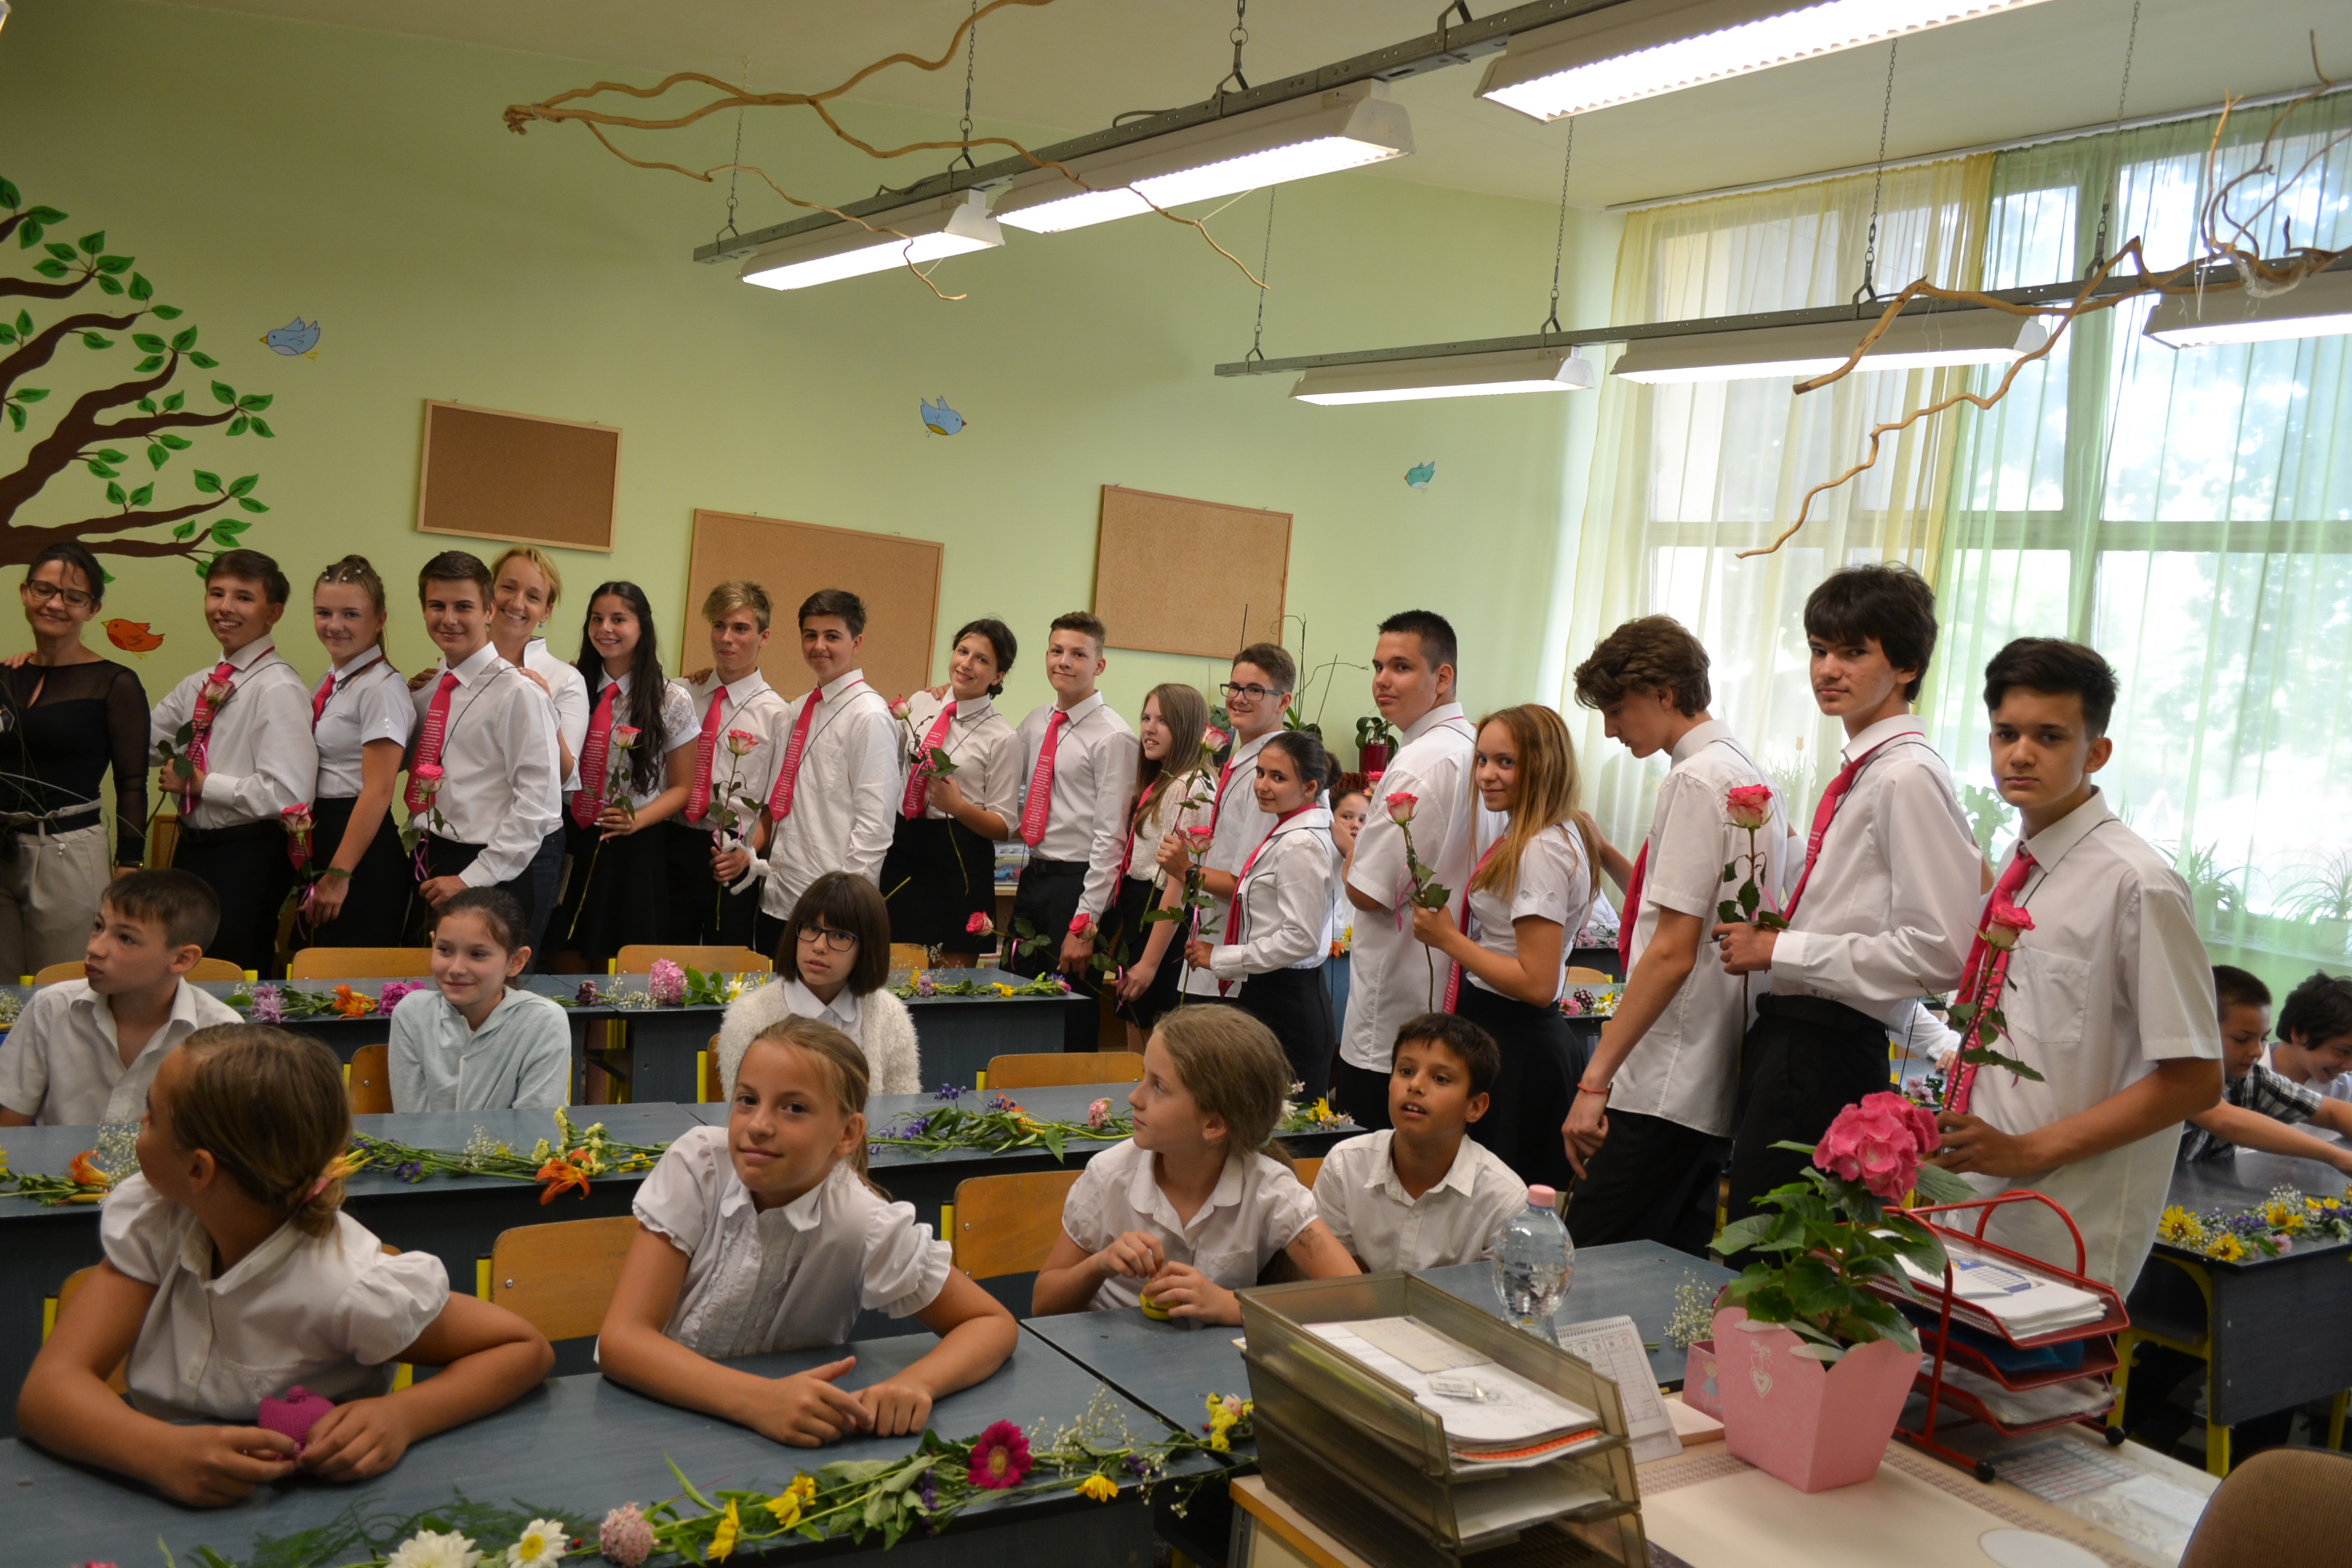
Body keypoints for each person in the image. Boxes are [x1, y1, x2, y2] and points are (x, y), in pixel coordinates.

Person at [17, 1024, 553, 1505]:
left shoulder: (343, 1283)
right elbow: (48, 1391)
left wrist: (402, 1416)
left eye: (152, 1116)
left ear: (199, 1169)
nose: (140, 1123)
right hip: (159, 1490)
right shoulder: (159, 1220)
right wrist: (161, 1452)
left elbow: (523, 1348)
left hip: (320, 1507)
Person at [1927, 639, 2223, 1290]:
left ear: (2097, 753)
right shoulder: (2024, 862)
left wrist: (2022, 1151)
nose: (2020, 753)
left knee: (2025, 1367)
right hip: (1971, 1207)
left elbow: (2196, 1080)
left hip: (2063, 1231)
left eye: (2050, 736)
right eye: (2006, 733)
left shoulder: (2137, 883)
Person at [596, 1015, 1016, 1446]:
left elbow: (990, 1323)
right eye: (747, 1100)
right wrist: (759, 1401)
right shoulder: (699, 1165)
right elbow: (622, 1341)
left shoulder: (862, 1221)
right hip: (649, 1420)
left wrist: (916, 1383)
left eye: (794, 1108)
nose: (758, 1125)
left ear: (847, 1134)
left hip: (781, 1443)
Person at [1713, 565, 1980, 1232]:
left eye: (1854, 652)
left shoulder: (1906, 777)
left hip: (1827, 1046)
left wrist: (1782, 949)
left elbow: (1941, 953)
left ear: (1908, 666)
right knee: (1766, 1247)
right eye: (1818, 649)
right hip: (1797, 1039)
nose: (1828, 669)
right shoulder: (1870, 771)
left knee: (1778, 1256)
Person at [1561, 616, 1785, 1256]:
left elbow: (1671, 951)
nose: (1611, 729)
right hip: (1710, 1075)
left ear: (1664, 694)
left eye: (1617, 709)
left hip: (1663, 1077)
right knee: (1670, 1273)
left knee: (1591, 1265)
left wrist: (1595, 1080)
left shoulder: (1694, 779)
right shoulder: (1747, 772)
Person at [1033, 1006, 1359, 1323]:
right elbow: (1043, 1304)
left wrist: (1231, 1306)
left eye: (1159, 1087)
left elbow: (1355, 1297)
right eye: (1144, 1077)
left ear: (1214, 1125)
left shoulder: (1270, 1189)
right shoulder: (1109, 1176)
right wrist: (1100, 1264)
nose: (1135, 1098)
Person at [1406, 705, 1597, 1188]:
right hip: (1502, 1031)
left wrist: (1448, 939)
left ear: (1542, 765)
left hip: (1519, 1041)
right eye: (1482, 760)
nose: (1487, 775)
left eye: (1505, 762)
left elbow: (1537, 983)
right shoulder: (1534, 833)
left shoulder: (1540, 849)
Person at [1336, 611, 1479, 1132]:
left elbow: (1368, 892)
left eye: (1401, 667)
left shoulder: (1421, 761)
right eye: (1378, 667)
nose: (1382, 680)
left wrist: (1348, 845)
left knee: (1373, 1158)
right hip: (1450, 989)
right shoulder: (1476, 746)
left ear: (1442, 677)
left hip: (1397, 1002)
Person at [150, 550, 316, 976]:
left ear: (273, 613)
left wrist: (203, 785)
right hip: (194, 850)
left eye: (243, 597)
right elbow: (144, 742)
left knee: (230, 974)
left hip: (246, 857)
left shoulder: (277, 688)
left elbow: (289, 795)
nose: (225, 607)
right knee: (182, 972)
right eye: (216, 593)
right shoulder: (200, 683)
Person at [0, 543, 149, 975]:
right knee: (4, 992)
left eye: (73, 596)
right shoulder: (7, 675)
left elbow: (132, 782)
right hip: (4, 848)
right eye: (44, 589)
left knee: (64, 985)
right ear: (25, 592)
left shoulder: (115, 683)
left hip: (68, 848)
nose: (55, 604)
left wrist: (129, 864)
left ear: (93, 608)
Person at [0, 869, 239, 1126]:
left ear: (182, 959)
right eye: (98, 927)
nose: (94, 948)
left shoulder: (222, 1035)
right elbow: (10, 1126)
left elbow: (221, 1140)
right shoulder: (51, 1006)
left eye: (126, 938)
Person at [405, 552, 562, 936]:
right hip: (430, 856)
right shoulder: (427, 691)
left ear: (489, 610)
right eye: (437, 606)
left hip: (491, 871)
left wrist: (472, 878)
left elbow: (538, 805)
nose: (449, 619)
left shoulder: (518, 693)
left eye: (463, 607)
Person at [1188, 729, 1337, 1100]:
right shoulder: (1287, 831)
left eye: (1278, 777)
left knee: (1283, 1116)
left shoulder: (1300, 844)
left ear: (1310, 788)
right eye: (1260, 773)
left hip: (1289, 999)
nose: (1262, 786)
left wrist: (1223, 957)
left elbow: (1301, 938)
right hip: (1269, 991)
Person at [554, 581, 696, 966]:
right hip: (570, 834)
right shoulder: (571, 687)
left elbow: (683, 787)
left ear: (642, 627)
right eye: (596, 619)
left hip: (633, 846)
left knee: (615, 964)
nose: (605, 628)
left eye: (619, 619)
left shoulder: (671, 698)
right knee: (560, 953)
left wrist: (637, 820)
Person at [1313, 1013, 1522, 1272]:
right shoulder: (1344, 1166)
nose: (1415, 1085)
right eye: (1406, 1071)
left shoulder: (1503, 1201)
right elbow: (1339, 1281)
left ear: (1476, 1107)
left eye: (1441, 1078)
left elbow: (1497, 1294)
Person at [754, 590, 899, 953]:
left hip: (831, 910)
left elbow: (875, 826)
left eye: (832, 636)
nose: (819, 646)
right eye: (810, 635)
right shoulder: (800, 708)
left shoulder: (869, 715)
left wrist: (848, 908)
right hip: (779, 894)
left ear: (856, 643)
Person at [879, 619, 1021, 960]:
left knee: (949, 974)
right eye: (962, 651)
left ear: (998, 676)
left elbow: (1004, 826)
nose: (966, 664)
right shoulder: (921, 702)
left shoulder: (1003, 737)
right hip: (904, 845)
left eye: (982, 660)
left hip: (959, 855)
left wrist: (958, 806)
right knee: (892, 965)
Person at [1160, 643, 1293, 1007]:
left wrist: (1186, 870)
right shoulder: (1242, 761)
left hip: (1239, 954)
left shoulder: (1271, 775)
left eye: (1255, 690)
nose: (1239, 698)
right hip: (1212, 940)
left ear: (1283, 702)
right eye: (1234, 687)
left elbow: (1247, 881)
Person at [1008, 612, 1135, 992]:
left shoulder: (1113, 737)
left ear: (1099, 665)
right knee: (1013, 992)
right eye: (1056, 651)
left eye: (1078, 654)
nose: (1063, 662)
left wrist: (1085, 923)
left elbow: (1112, 837)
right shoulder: (1036, 721)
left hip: (1078, 886)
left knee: (1067, 1003)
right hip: (1034, 877)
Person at [717, 871, 919, 1096]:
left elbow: (902, 1111)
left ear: (867, 948)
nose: (819, 946)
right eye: (812, 928)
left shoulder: (890, 1016)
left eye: (840, 936)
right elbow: (746, 1112)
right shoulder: (748, 1018)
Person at [668, 582, 791, 948]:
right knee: (663, 955)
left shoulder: (778, 715)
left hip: (731, 852)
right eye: (719, 626)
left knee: (726, 963)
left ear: (764, 636)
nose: (726, 638)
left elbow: (774, 805)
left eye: (740, 629)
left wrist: (747, 854)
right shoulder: (681, 693)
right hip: (671, 840)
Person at [304, 556, 414, 947]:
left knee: (348, 974)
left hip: (357, 850)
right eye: (324, 613)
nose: (335, 625)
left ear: (380, 619)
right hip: (325, 833)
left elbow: (379, 790)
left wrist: (339, 875)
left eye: (350, 614)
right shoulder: (334, 679)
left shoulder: (381, 689)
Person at [486, 548, 589, 962]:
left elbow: (565, 775)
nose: (517, 603)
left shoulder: (565, 679)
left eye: (533, 596)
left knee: (514, 967)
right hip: (464, 840)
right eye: (508, 588)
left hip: (532, 847)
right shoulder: (453, 669)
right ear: (488, 594)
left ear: (546, 611)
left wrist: (544, 707)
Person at [389, 888, 570, 1113]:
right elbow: (410, 1122)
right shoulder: (413, 1014)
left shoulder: (543, 1021)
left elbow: (537, 1124)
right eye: (445, 950)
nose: (456, 969)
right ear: (433, 944)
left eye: (478, 954)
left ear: (516, 961)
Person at [1111, 681, 1215, 1041]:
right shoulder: (1164, 780)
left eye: (1163, 721)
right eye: (1146, 718)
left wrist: (1149, 963)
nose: (1149, 729)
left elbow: (1179, 880)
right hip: (1140, 909)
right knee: (1135, 1029)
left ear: (1186, 728)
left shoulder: (1189, 787)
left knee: (1154, 1038)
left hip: (1163, 917)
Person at [2178, 966, 2352, 1177]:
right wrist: (2336, 1156)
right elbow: (2225, 1121)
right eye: (2241, 1039)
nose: (2257, 1051)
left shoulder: (2253, 1080)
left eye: (2263, 1038)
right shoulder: (2175, 1075)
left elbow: (2333, 1112)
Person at [1324, 777, 1370, 1053]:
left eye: (1364, 819)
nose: (1355, 825)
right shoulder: (1322, 859)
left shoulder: (1372, 868)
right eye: (1347, 817)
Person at [2266, 972, 2352, 1103]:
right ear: (2300, 1034)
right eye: (2343, 1051)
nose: (2349, 1066)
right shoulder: (2240, 1076)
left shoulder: (2345, 1090)